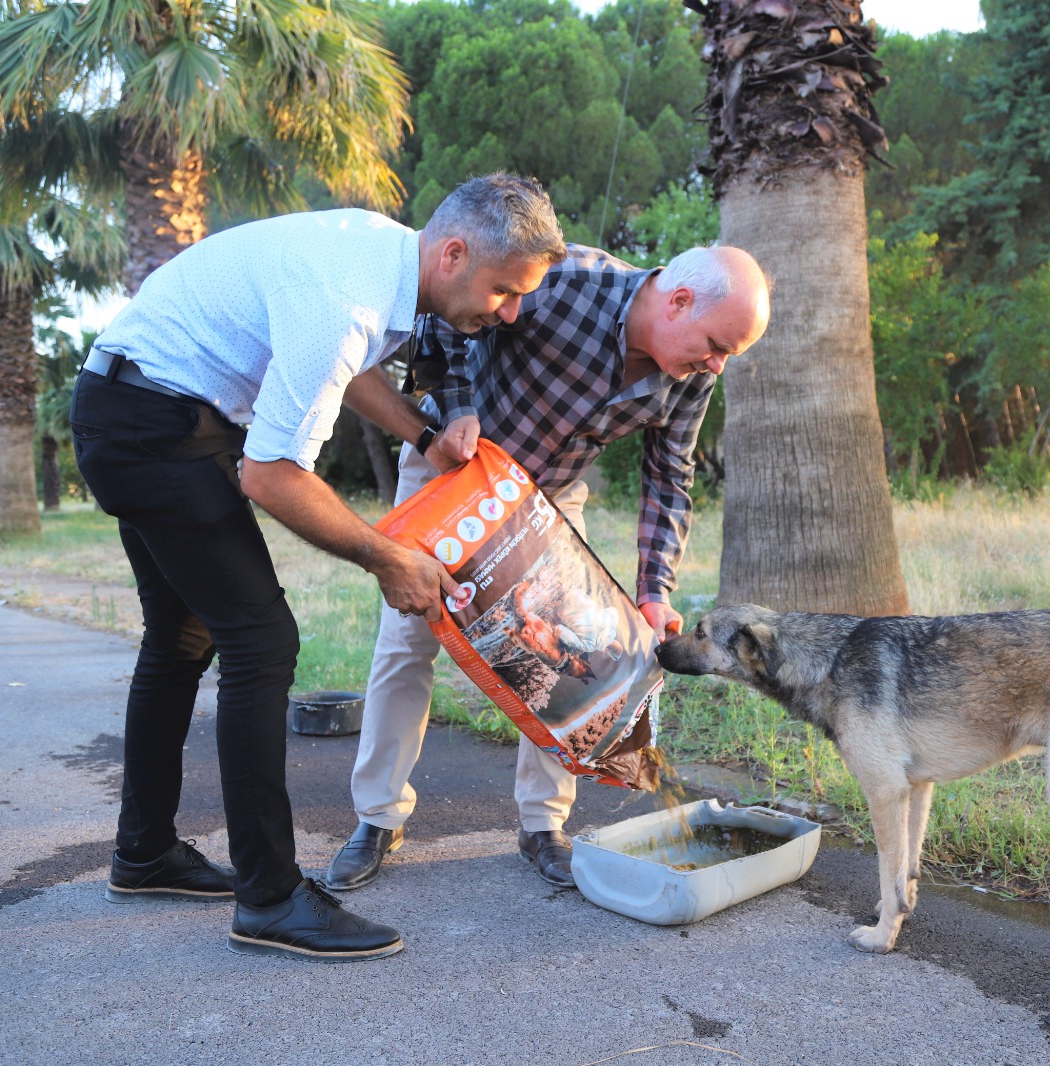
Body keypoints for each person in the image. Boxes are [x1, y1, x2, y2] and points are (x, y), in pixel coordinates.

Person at [70, 174, 567, 961]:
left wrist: (421, 434)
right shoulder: (347, 300)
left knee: (183, 635)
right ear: (453, 254)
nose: (508, 313)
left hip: (136, 407)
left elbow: (349, 366)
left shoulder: (379, 259)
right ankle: (269, 898)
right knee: (262, 641)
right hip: (153, 427)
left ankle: (145, 853)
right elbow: (270, 476)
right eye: (503, 290)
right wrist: (384, 556)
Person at [325, 243, 771, 891]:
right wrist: (457, 409)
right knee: (408, 639)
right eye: (716, 346)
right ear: (678, 301)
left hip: (549, 496)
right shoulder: (564, 280)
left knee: (573, 652)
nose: (718, 365)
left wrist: (654, 591)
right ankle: (377, 818)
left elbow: (669, 475)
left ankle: (543, 825)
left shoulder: (692, 371)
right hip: (452, 470)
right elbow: (445, 315)